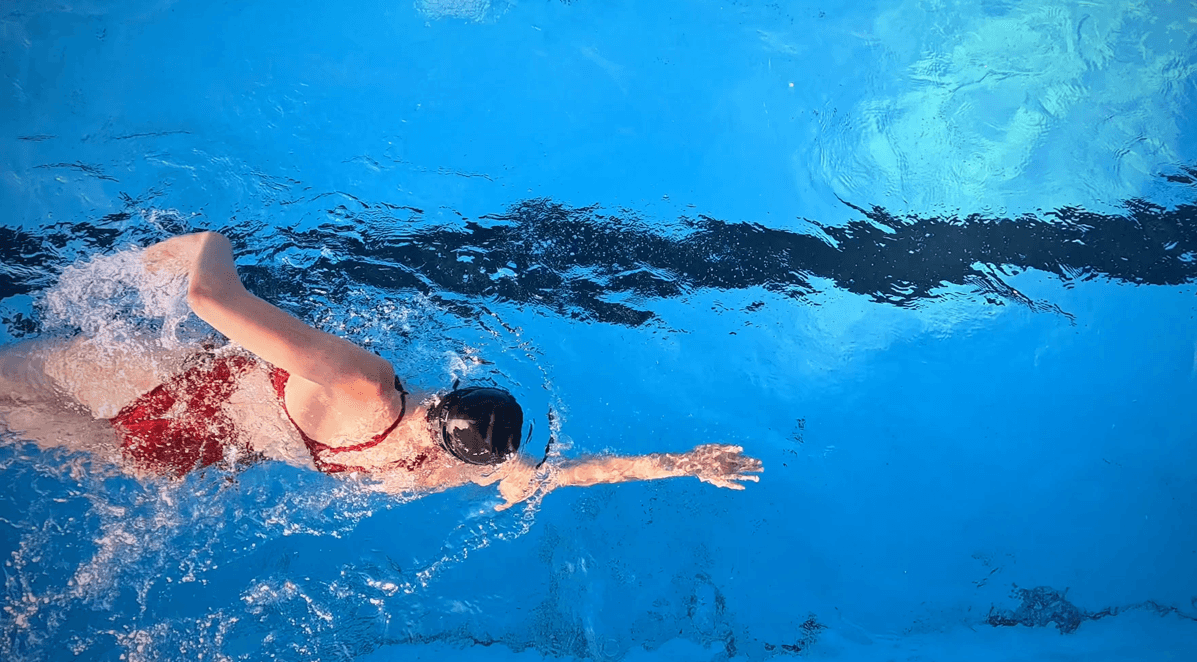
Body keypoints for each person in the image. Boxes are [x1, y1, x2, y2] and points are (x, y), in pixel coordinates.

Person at [0, 232, 762, 509]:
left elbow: (208, 295)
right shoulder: (445, 471)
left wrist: (199, 243)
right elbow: (562, 476)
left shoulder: (366, 386)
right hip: (177, 460)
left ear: (450, 397)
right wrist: (680, 464)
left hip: (159, 387)